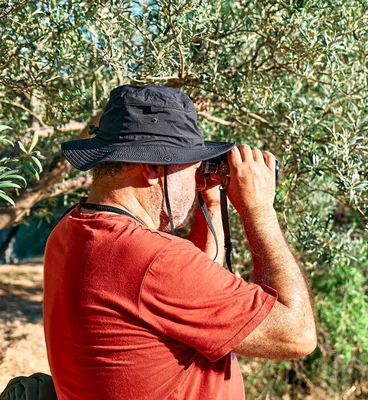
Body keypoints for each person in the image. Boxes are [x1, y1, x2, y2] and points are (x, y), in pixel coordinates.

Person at [43, 84, 317, 399]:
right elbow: (297, 334)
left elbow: (193, 301)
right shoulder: (154, 261)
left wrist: (212, 205)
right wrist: (259, 210)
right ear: (151, 168)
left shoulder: (70, 231)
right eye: (193, 164)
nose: (201, 176)